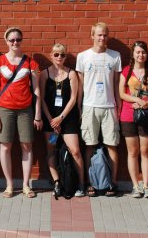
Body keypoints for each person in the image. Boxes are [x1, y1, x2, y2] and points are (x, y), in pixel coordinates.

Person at [0, 28, 42, 198]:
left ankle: (26, 185)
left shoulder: (30, 63)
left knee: (27, 145)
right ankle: (9, 185)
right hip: (5, 108)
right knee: (5, 146)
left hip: (25, 110)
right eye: (12, 40)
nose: (15, 42)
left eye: (18, 39)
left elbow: (36, 91)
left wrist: (38, 114)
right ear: (6, 41)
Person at [75, 22, 121, 197]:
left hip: (109, 107)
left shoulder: (115, 56)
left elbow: (116, 85)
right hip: (90, 106)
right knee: (89, 145)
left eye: (105, 35)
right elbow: (80, 86)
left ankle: (112, 183)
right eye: (99, 35)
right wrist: (80, 107)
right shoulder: (83, 56)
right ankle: (90, 183)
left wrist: (118, 107)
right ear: (92, 36)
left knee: (112, 146)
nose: (102, 38)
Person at [39, 42, 85, 198]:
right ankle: (57, 182)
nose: (59, 57)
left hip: (67, 119)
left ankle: (81, 184)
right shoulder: (44, 74)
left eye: (62, 55)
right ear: (51, 56)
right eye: (56, 54)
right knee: (51, 150)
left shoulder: (71, 74)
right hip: (50, 121)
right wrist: (51, 120)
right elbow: (42, 99)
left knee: (75, 151)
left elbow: (73, 99)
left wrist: (61, 118)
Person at [118, 41, 148, 199]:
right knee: (132, 152)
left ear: (146, 54)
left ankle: (146, 186)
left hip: (147, 115)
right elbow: (122, 93)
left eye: (143, 52)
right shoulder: (126, 71)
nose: (140, 55)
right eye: (137, 52)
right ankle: (135, 186)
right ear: (133, 54)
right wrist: (136, 100)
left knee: (145, 151)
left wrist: (146, 103)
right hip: (128, 115)